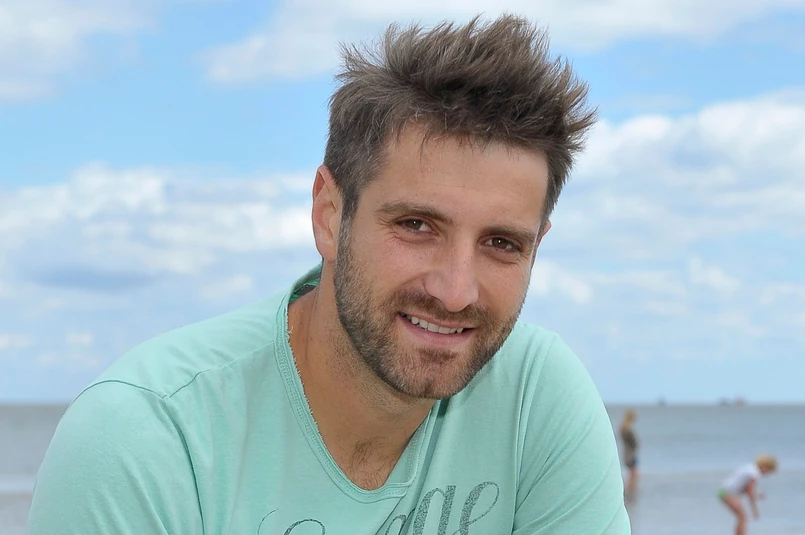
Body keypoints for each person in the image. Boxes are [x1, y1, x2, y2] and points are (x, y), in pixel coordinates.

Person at [27, 15, 631, 534]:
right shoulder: (147, 438)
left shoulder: (535, 399)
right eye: (416, 225)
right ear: (328, 214)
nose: (455, 291)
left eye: (501, 243)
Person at [718, 454, 778, 535]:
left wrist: (757, 496)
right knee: (742, 517)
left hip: (723, 491)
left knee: (742, 517)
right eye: (769, 471)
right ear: (765, 466)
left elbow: (747, 490)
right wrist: (755, 510)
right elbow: (750, 493)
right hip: (727, 492)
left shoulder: (751, 468)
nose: (766, 474)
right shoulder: (754, 474)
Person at [619, 409, 639, 502]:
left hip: (626, 454)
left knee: (632, 474)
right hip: (630, 454)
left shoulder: (623, 429)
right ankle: (630, 491)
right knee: (633, 474)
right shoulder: (628, 430)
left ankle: (629, 490)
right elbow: (634, 443)